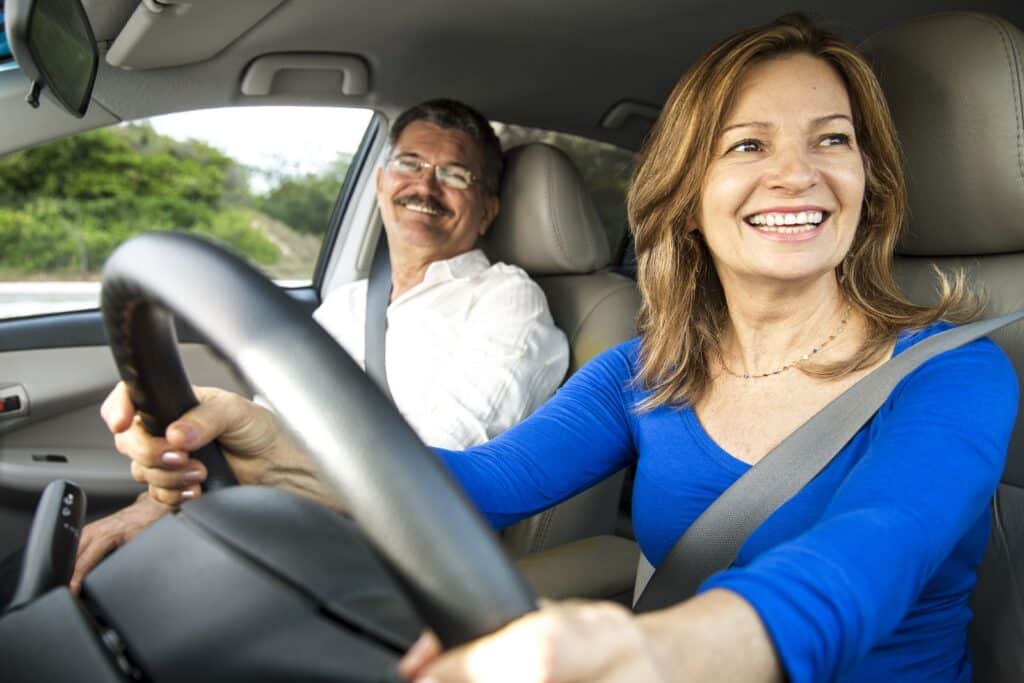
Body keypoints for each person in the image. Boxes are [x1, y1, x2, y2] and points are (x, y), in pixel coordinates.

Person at [98, 14, 1018, 683]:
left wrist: (651, 649)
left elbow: (863, 560)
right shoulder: (643, 371)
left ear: (867, 181)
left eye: (835, 141)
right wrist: (267, 443)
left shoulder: (953, 373)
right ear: (687, 193)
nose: (797, 172)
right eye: (747, 144)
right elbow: (475, 484)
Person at [67, 98, 569, 591]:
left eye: (456, 175)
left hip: (400, 572)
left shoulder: (509, 302)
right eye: (409, 163)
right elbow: (270, 421)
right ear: (380, 182)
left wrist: (256, 451)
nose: (425, 185)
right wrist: (158, 501)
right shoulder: (348, 304)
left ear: (487, 212)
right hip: (291, 531)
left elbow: (433, 480)